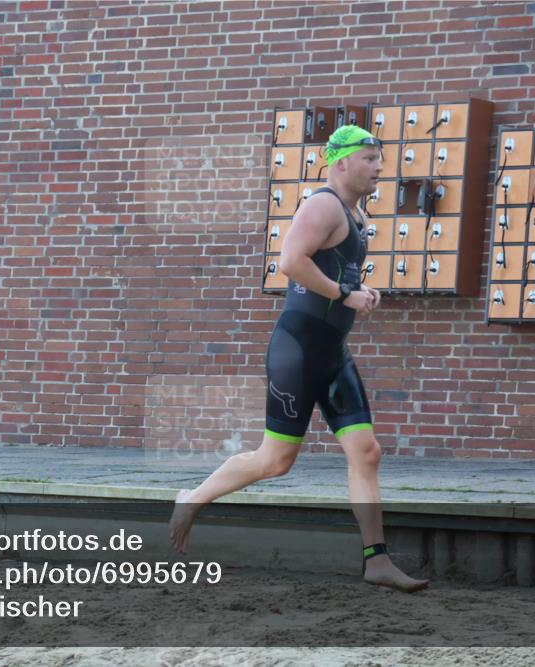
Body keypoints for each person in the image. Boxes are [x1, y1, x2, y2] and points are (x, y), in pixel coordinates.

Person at [169, 125, 429, 593]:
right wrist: (345, 294)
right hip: (299, 350)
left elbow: (333, 272)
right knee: (276, 461)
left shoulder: (354, 212)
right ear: (342, 161)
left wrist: (359, 292)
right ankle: (193, 498)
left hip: (333, 352)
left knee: (366, 452)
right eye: (370, 158)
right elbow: (290, 261)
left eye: (380, 159)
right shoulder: (322, 204)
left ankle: (377, 560)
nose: (379, 168)